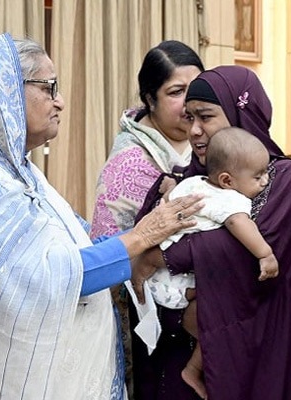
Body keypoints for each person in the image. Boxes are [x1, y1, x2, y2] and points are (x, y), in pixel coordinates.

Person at [0, 34, 203, 399]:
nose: (60, 102)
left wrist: (137, 249)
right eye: (49, 88)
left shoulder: (23, 174)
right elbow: (52, 277)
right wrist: (143, 236)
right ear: (7, 93)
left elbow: (81, 246)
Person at [132, 65, 291, 400]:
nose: (195, 131)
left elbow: (243, 253)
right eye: (189, 118)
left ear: (240, 113)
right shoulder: (186, 178)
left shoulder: (285, 179)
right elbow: (144, 235)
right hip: (178, 355)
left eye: (206, 117)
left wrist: (160, 257)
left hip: (256, 356)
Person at [89, 40, 203, 396]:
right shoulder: (130, 164)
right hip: (150, 326)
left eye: (195, 89)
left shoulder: (208, 141)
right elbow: (111, 254)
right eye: (176, 92)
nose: (188, 103)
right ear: (149, 100)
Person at [144, 127, 277, 399]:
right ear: (227, 179)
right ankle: (193, 370)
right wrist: (265, 254)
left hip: (158, 279)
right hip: (177, 286)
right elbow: (238, 223)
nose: (266, 181)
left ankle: (192, 370)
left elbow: (166, 203)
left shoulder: (194, 183)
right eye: (258, 176)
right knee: (217, 323)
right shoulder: (231, 199)